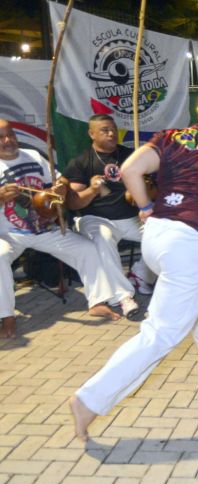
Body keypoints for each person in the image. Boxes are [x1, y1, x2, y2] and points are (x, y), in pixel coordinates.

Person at [68, 95, 198, 440]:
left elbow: (131, 169)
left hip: (157, 236)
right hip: (190, 242)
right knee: (161, 332)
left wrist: (145, 207)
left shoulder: (172, 135)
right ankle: (89, 399)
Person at [0, 120, 122, 338]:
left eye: (10, 135)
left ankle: (98, 301)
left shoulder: (33, 156)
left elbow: (59, 182)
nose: (8, 140)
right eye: (1, 137)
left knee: (87, 249)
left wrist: (59, 188)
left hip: (46, 229)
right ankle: (7, 316)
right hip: (9, 234)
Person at [64, 114, 153, 319]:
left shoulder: (131, 156)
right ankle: (123, 297)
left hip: (131, 217)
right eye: (104, 130)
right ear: (91, 134)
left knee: (161, 234)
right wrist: (93, 191)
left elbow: (151, 187)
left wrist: (145, 189)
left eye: (113, 129)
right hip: (96, 218)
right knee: (103, 238)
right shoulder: (81, 162)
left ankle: (139, 274)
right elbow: (73, 202)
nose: (112, 134)